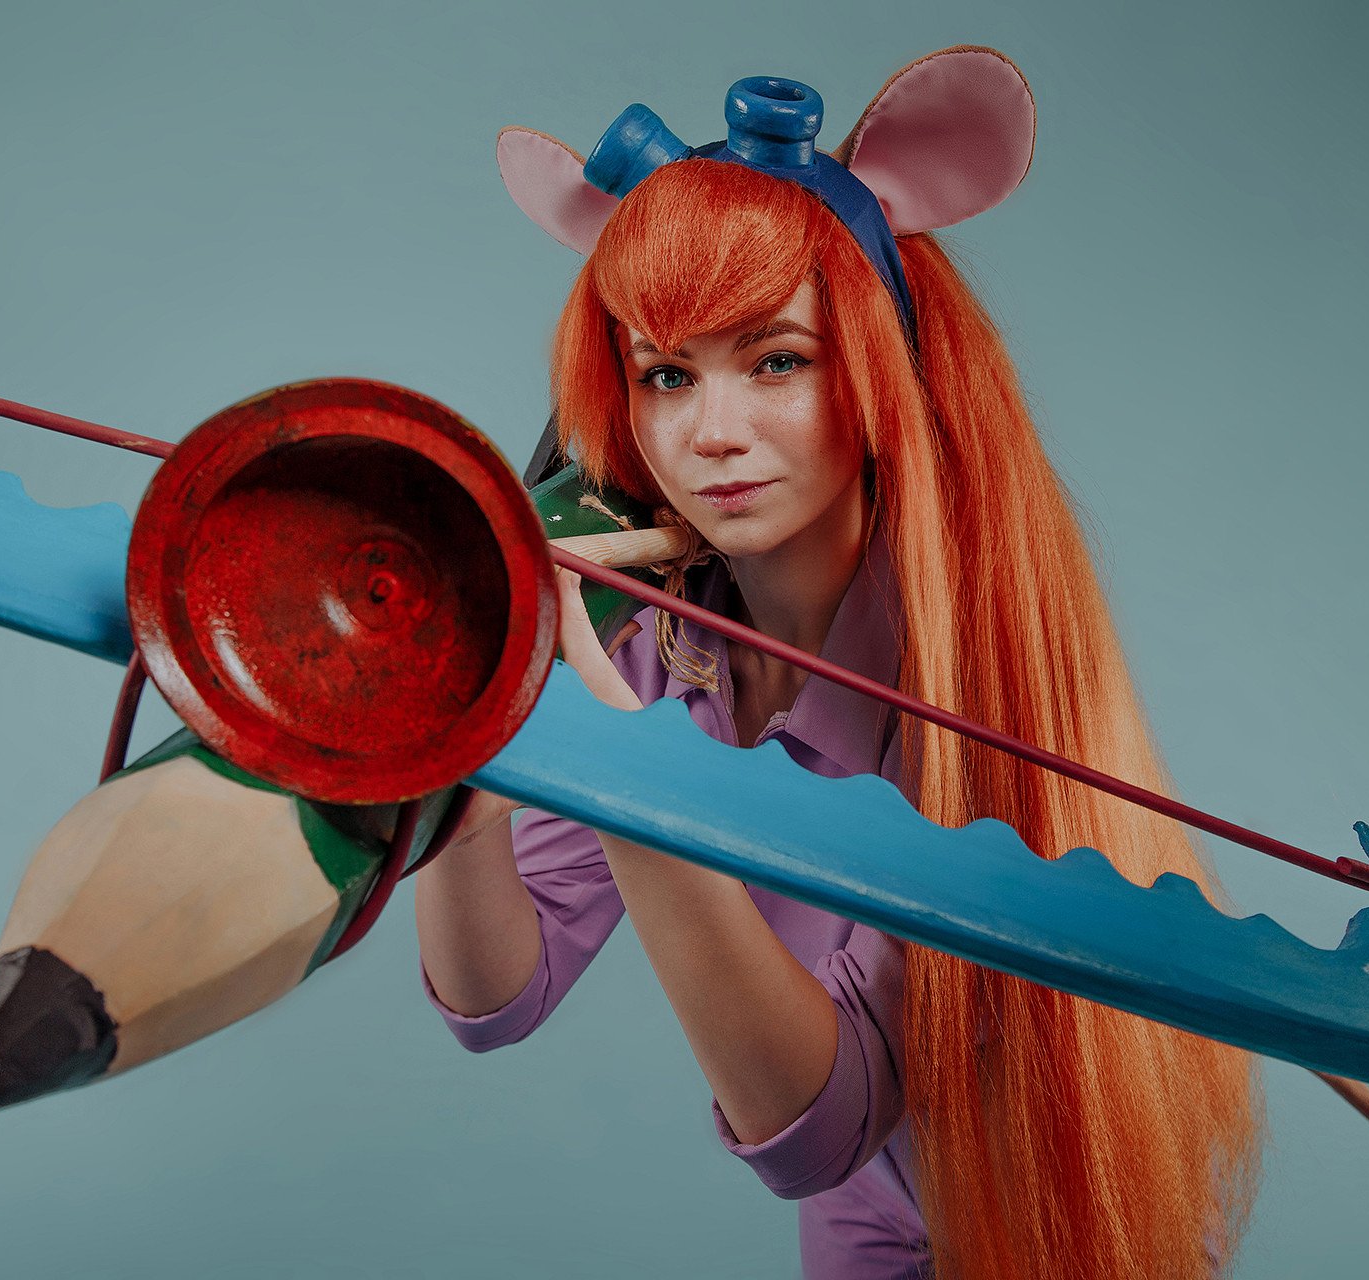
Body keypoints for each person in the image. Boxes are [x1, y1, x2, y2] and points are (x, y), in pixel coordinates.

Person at [415, 48, 1262, 1280]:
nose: (711, 432)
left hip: (1049, 1200)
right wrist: (466, 760)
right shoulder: (661, 640)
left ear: (875, 372)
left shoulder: (972, 680)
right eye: (666, 373)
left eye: (777, 360)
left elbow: (816, 1121)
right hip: (867, 1209)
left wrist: (615, 771)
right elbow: (499, 994)